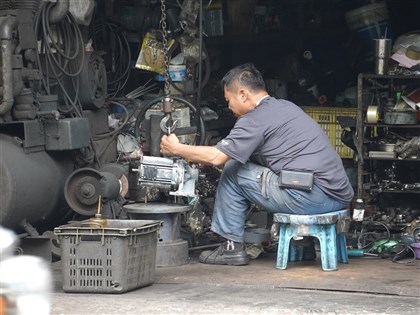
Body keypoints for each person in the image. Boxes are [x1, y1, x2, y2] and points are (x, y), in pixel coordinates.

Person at [160, 63, 354, 266]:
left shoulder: (254, 119)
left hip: (312, 199)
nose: (229, 107)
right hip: (337, 198)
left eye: (229, 100)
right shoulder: (286, 107)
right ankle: (303, 247)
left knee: (233, 170)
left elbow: (218, 157)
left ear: (243, 94)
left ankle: (231, 248)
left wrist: (177, 149)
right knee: (260, 167)